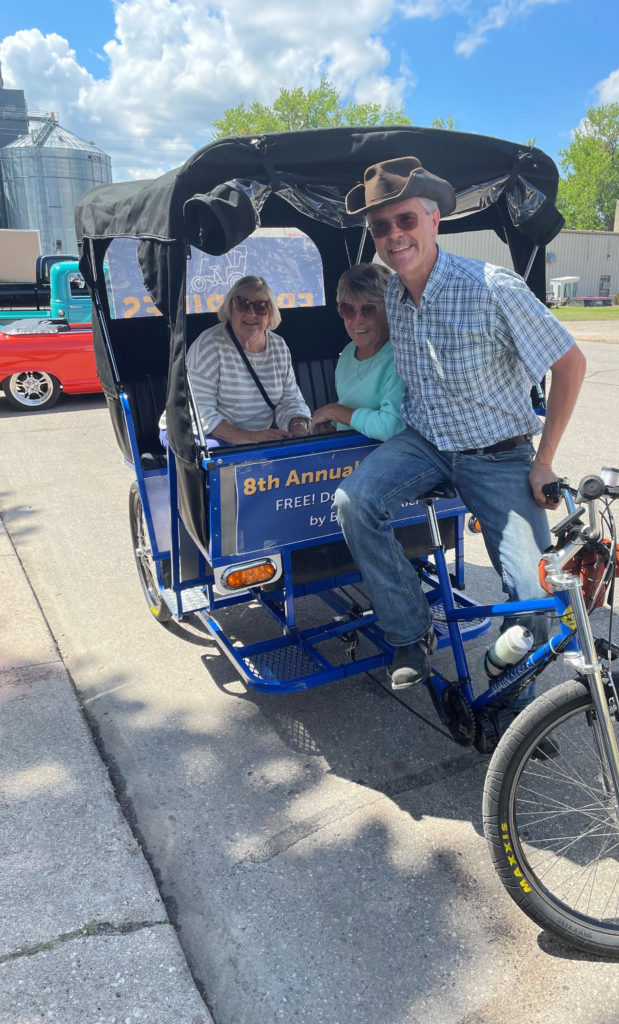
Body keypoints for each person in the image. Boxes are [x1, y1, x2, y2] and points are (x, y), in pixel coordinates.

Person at [333, 156, 586, 699]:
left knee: (535, 597)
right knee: (354, 502)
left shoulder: (492, 287)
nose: (394, 235)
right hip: (425, 442)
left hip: (498, 453)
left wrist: (543, 462)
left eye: (406, 220)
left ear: (434, 221)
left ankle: (510, 706)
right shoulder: (393, 296)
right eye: (381, 227)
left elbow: (570, 365)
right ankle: (411, 631)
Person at [185, 275, 311, 444]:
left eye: (261, 306)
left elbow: (290, 400)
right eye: (243, 304)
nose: (251, 313)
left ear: (270, 313)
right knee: (216, 452)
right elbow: (198, 413)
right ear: (231, 308)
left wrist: (298, 425)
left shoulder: (278, 346)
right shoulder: (209, 345)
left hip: (260, 433)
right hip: (205, 432)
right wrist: (251, 438)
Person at [310, 263, 405, 442]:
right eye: (348, 310)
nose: (357, 320)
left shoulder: (401, 358)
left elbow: (391, 427)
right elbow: (351, 414)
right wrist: (333, 426)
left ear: (389, 310)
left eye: (368, 310)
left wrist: (335, 412)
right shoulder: (347, 354)